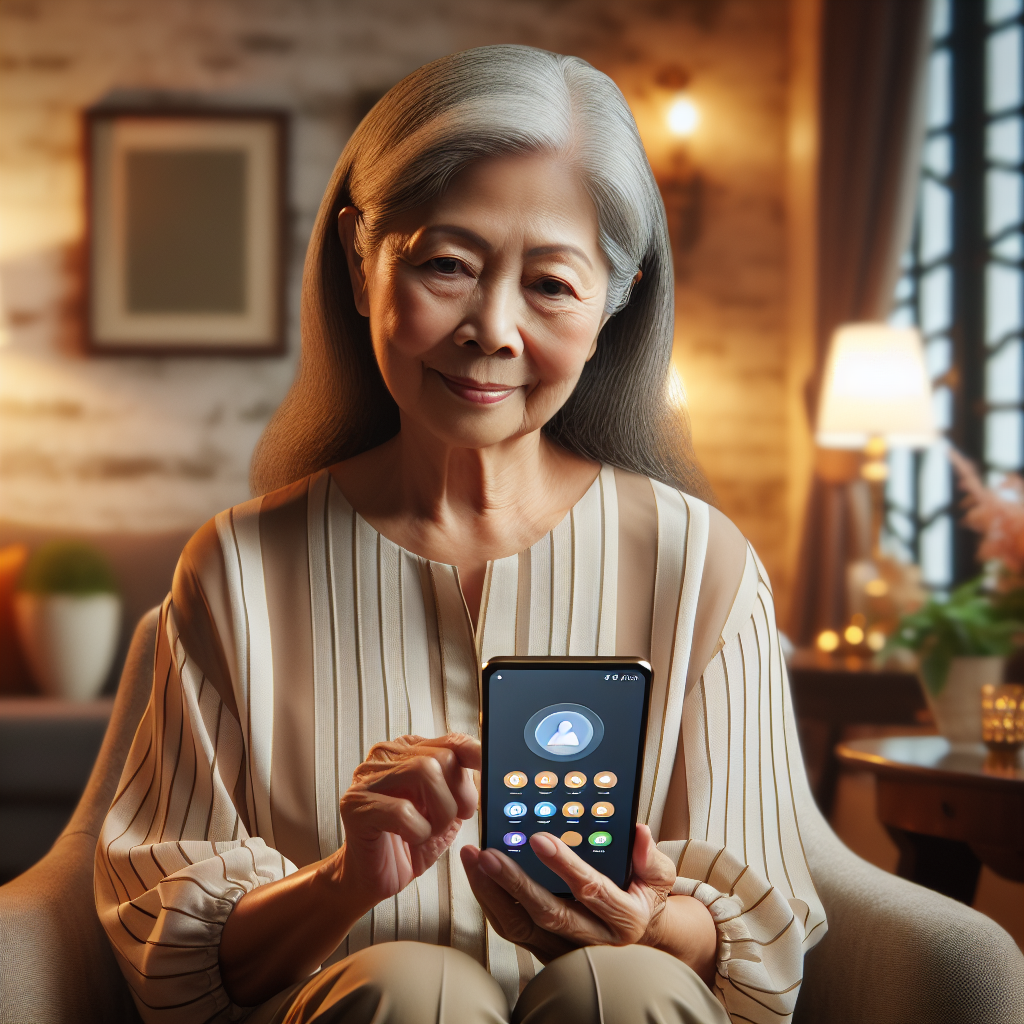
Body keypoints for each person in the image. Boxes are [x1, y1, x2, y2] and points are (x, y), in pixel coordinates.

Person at [95, 44, 825, 1024]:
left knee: (628, 985)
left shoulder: (701, 564)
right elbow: (172, 955)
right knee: (413, 985)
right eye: (447, 264)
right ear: (362, 262)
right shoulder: (237, 567)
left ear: (614, 302)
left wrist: (650, 921)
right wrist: (345, 883)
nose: (492, 328)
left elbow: (761, 936)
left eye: (551, 285)